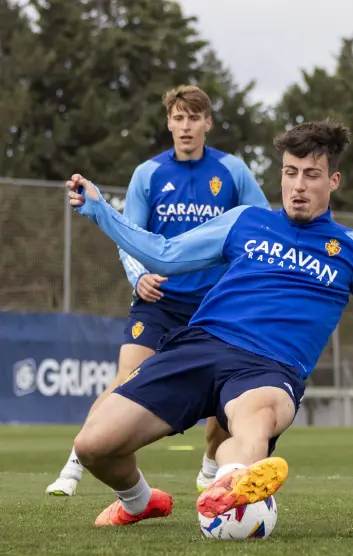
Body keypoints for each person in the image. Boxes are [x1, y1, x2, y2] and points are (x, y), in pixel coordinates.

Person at [64, 117, 353, 527]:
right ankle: (140, 502)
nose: (298, 185)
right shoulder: (245, 221)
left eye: (311, 175)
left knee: (251, 425)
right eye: (290, 172)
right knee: (93, 445)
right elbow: (164, 255)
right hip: (201, 344)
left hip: (270, 368)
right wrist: (100, 210)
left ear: (333, 180)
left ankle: (232, 488)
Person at [46, 85, 271, 497]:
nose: (186, 126)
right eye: (179, 118)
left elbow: (263, 225)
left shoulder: (233, 171)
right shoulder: (147, 174)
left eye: (194, 118)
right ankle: (76, 461)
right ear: (169, 122)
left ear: (207, 123)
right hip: (159, 301)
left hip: (215, 306)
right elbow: (128, 234)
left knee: (228, 392)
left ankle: (209, 467)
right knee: (126, 378)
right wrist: (138, 277)